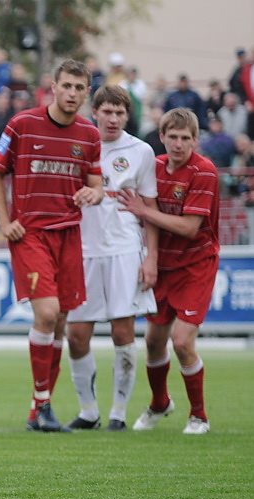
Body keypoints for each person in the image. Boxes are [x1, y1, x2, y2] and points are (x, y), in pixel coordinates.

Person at [0, 59, 104, 432]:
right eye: (66, 85)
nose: (72, 93)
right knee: (48, 314)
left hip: (69, 235)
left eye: (79, 88)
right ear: (53, 87)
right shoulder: (22, 124)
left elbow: (96, 183)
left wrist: (94, 193)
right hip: (31, 234)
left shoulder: (89, 135)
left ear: (87, 93)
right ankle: (42, 405)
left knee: (61, 322)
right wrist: (4, 222)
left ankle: (40, 409)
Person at [118, 108, 219, 435]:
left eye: (185, 138)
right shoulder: (154, 167)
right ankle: (160, 403)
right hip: (162, 265)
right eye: (172, 136)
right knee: (153, 341)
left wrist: (144, 211)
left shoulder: (204, 171)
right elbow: (141, 213)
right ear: (161, 137)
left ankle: (199, 416)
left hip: (195, 265)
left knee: (182, 341)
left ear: (195, 140)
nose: (178, 144)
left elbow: (189, 228)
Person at [65, 85, 159, 431]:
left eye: (120, 112)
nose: (113, 118)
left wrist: (151, 258)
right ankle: (89, 411)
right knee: (76, 334)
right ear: (95, 112)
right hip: (83, 250)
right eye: (107, 111)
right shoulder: (77, 144)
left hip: (124, 249)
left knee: (123, 332)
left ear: (127, 115)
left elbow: (150, 208)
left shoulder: (141, 151)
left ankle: (118, 413)